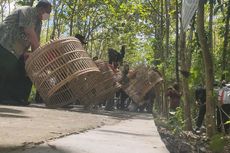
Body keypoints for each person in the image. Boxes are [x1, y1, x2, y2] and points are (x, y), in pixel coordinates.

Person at [0, 0, 52, 105]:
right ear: (41, 9)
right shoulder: (27, 11)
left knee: (25, 69)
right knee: (4, 68)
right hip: (5, 43)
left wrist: (34, 58)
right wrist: (39, 54)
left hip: (17, 51)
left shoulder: (39, 23)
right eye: (48, 12)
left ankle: (15, 98)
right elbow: (29, 32)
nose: (48, 15)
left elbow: (35, 42)